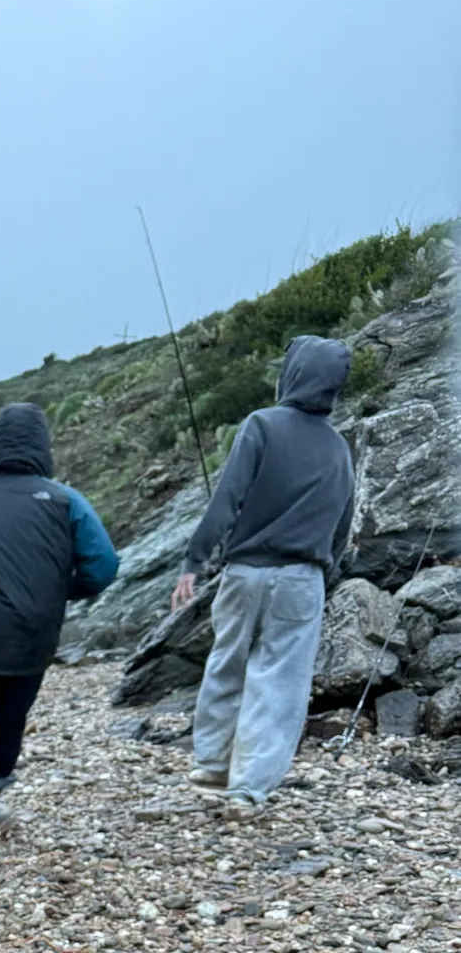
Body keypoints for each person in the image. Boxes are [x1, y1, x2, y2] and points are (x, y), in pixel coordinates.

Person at [0, 402, 119, 878]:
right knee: (11, 720)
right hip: (32, 636)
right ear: (42, 449)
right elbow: (103, 567)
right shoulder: (65, 501)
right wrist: (59, 591)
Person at [171, 334, 355, 811]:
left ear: (291, 374)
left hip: (243, 571)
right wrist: (326, 572)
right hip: (302, 578)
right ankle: (249, 787)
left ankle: (211, 760)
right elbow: (343, 522)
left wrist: (195, 562)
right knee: (280, 680)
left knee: (227, 660)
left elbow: (226, 499)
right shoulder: (339, 448)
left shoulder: (261, 425)